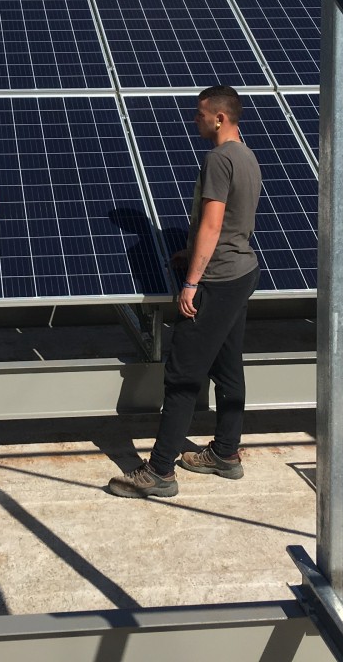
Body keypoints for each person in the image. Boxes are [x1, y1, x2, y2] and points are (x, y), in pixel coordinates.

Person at [108, 85, 261, 498]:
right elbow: (230, 223)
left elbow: (212, 224)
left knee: (182, 373)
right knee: (228, 365)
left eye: (200, 115)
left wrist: (192, 281)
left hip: (219, 278)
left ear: (220, 118)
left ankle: (159, 472)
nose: (195, 121)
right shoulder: (246, 157)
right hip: (242, 271)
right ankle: (226, 454)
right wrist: (190, 251)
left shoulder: (217, 159)